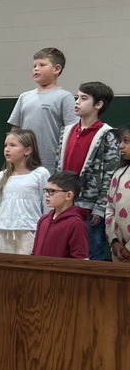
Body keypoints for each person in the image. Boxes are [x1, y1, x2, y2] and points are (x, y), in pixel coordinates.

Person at [55, 81, 119, 260]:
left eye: (83, 98)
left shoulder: (108, 134)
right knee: (62, 253)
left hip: (90, 209)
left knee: (89, 253)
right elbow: (58, 168)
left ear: (98, 105)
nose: (77, 102)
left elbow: (110, 175)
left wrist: (100, 207)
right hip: (65, 203)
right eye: (77, 97)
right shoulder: (66, 131)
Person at [7, 47, 77, 174]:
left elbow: (72, 133)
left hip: (50, 165)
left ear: (57, 69)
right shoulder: (24, 97)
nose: (36, 69)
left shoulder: (65, 97)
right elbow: (15, 130)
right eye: (34, 65)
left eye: (42, 65)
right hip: (24, 164)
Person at [0, 130, 50, 254]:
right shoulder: (2, 176)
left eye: (13, 145)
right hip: (5, 230)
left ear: (28, 150)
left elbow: (46, 205)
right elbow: (2, 203)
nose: (7, 149)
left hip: (30, 229)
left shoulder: (40, 174)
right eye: (6, 145)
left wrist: (44, 231)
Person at [32, 171, 89, 258]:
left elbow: (80, 259)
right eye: (46, 191)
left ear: (68, 195)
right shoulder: (43, 220)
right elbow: (35, 253)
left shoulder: (76, 223)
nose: (47, 195)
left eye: (52, 191)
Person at [104, 125, 130, 264]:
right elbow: (109, 208)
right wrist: (113, 241)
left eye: (126, 141)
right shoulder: (119, 173)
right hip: (119, 253)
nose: (120, 146)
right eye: (120, 141)